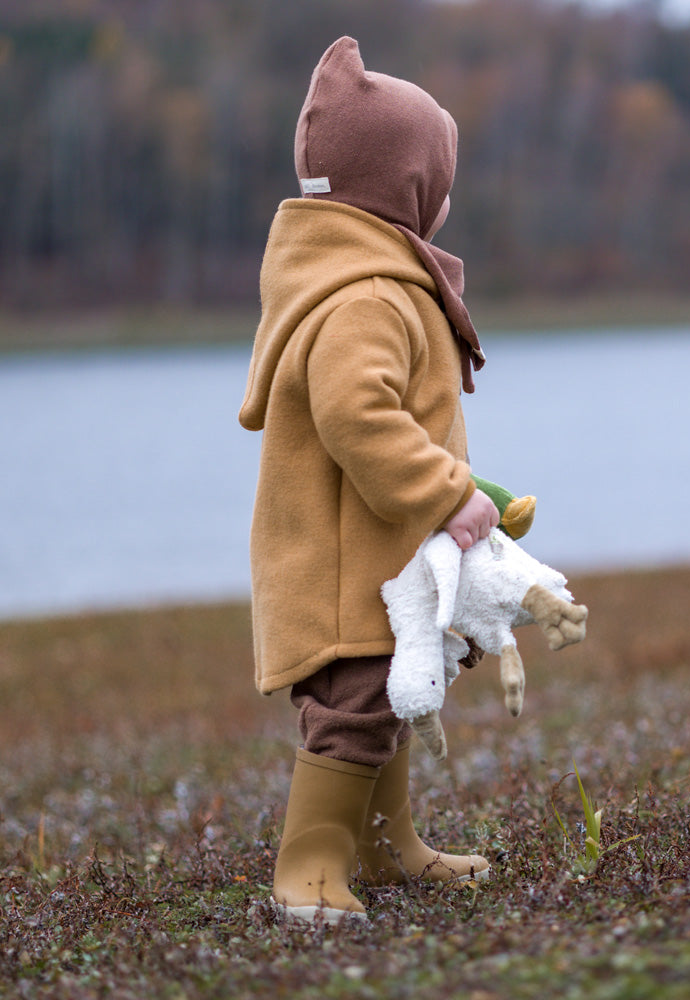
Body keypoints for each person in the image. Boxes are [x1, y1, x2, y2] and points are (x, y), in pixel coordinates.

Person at [238, 36, 497, 924]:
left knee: (387, 702)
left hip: (368, 561)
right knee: (352, 711)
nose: (447, 198)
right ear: (406, 190)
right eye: (439, 181)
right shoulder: (369, 297)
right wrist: (446, 494)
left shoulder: (354, 277)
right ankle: (309, 871)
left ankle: (386, 849)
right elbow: (360, 415)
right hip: (345, 570)